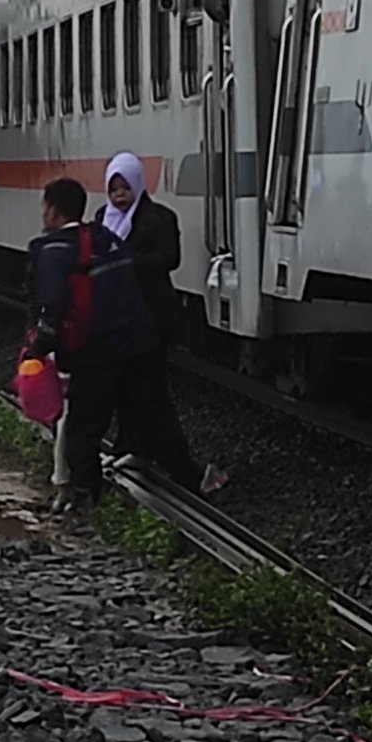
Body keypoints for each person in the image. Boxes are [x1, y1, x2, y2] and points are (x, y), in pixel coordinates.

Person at [95, 151, 227, 497]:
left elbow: (169, 260)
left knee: (150, 393)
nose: (119, 195)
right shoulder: (102, 218)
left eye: (125, 187)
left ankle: (186, 471)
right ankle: (133, 448)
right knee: (126, 387)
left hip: (151, 317)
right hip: (117, 319)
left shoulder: (159, 217)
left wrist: (127, 261)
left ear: (138, 184)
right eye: (114, 188)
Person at [27, 176, 161, 513]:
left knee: (82, 426)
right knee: (131, 412)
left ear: (53, 211)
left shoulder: (53, 251)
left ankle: (84, 497)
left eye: (44, 208)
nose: (43, 214)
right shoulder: (104, 236)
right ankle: (184, 473)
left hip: (92, 349)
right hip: (131, 341)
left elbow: (53, 305)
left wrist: (38, 347)